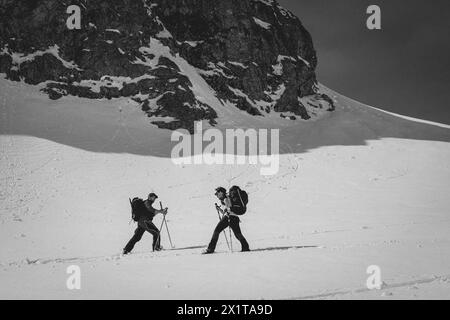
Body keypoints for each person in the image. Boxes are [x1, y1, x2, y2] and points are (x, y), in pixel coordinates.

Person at [203, 187, 250, 254]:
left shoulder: (226, 198)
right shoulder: (225, 199)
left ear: (221, 192)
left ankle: (210, 249)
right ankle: (245, 247)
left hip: (229, 217)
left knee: (217, 231)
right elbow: (228, 210)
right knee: (237, 234)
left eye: (217, 193)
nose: (216, 195)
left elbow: (229, 208)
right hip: (234, 218)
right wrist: (220, 209)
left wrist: (225, 208)